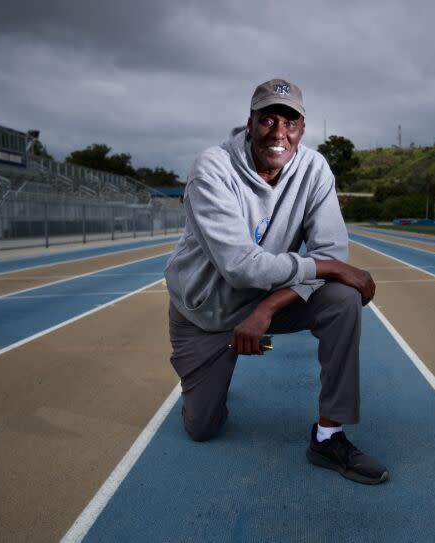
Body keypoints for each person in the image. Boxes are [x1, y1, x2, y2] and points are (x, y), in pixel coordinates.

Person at [164, 78, 388, 484]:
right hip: (207, 311)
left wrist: (267, 308)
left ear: (302, 129)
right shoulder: (212, 169)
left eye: (290, 123)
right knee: (202, 429)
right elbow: (240, 266)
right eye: (267, 120)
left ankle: (329, 435)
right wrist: (329, 268)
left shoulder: (314, 169)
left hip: (268, 300)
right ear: (249, 124)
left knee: (342, 299)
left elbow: (331, 253)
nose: (278, 133)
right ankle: (206, 386)